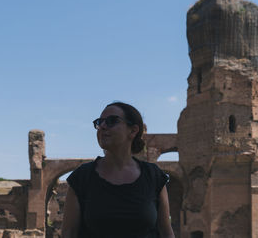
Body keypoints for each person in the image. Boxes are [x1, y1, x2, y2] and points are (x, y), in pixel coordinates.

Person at [61, 102, 175, 238]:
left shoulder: (154, 176)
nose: (102, 126)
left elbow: (166, 232)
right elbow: (69, 233)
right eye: (99, 122)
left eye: (111, 121)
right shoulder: (81, 177)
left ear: (133, 131)